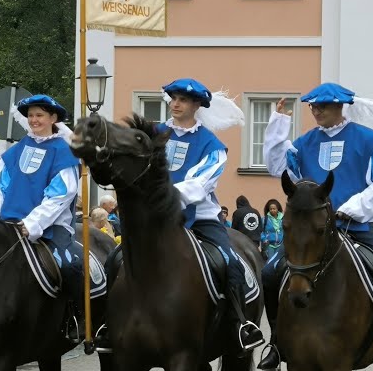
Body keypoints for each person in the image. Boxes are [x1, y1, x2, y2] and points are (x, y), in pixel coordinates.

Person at [260, 83, 373, 371]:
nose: (316, 110)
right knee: (270, 271)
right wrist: (279, 125)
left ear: (340, 106)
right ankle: (276, 342)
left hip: (358, 226)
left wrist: (356, 207)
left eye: (323, 105)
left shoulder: (369, 140)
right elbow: (278, 169)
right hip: (313, 230)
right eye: (313, 106)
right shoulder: (304, 143)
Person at [97, 78, 264, 354]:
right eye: (173, 98)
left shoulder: (212, 145)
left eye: (182, 100)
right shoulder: (153, 134)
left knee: (228, 261)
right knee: (116, 259)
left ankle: (239, 324)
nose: (175, 103)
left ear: (197, 105)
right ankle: (108, 324)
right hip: (152, 220)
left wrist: (163, 196)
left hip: (200, 219)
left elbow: (201, 183)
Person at [0, 93, 105, 343]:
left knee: (69, 264)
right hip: (8, 224)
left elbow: (61, 194)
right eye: (30, 115)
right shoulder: (15, 151)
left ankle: (78, 315)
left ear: (53, 118)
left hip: (50, 227)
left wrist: (32, 223)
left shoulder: (64, 152)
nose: (34, 120)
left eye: (39, 115)